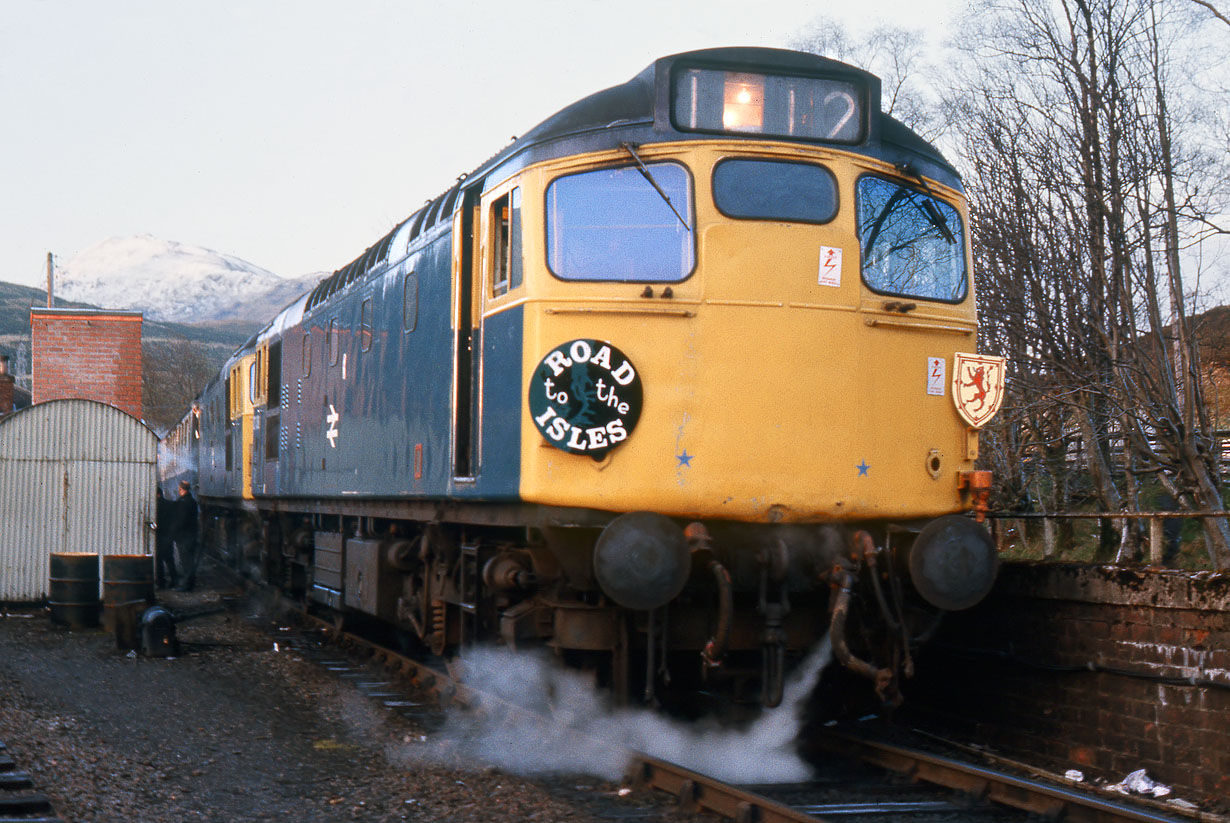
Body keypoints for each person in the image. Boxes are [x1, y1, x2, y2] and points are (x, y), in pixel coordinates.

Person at [173, 480, 200, 591]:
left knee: (186, 561)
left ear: (182, 489)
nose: (179, 491)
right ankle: (189, 584)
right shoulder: (191, 501)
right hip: (190, 535)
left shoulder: (184, 502)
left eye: (179, 489)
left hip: (184, 536)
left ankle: (187, 586)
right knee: (189, 560)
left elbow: (181, 521)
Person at [154, 486, 180, 589]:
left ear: (158, 494)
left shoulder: (156, 506)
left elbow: (155, 523)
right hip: (168, 536)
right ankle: (174, 580)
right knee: (169, 559)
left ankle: (161, 582)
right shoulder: (171, 504)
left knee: (159, 560)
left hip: (159, 535)